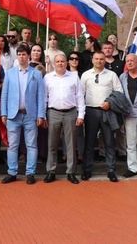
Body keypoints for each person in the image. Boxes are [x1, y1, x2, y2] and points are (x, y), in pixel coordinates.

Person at [0, 45, 46, 185]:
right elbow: (5, 94)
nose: (21, 56)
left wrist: (41, 115)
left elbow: (40, 96)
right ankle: (12, 172)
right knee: (13, 145)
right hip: (13, 115)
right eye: (19, 54)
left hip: (30, 115)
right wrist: (4, 112)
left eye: (24, 54)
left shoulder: (36, 74)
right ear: (17, 56)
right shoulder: (10, 73)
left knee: (31, 145)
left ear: (28, 56)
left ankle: (30, 172)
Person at [80, 51, 124, 182]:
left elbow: (119, 92)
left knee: (109, 141)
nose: (99, 61)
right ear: (92, 60)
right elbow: (80, 94)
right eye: (96, 59)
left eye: (101, 59)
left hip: (107, 111)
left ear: (105, 60)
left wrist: (109, 102)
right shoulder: (85, 75)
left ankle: (111, 170)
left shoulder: (112, 75)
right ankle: (87, 170)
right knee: (89, 141)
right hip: (91, 111)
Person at [43, 54, 85, 184]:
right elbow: (44, 98)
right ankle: (51, 171)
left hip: (70, 112)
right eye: (58, 61)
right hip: (53, 112)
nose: (60, 63)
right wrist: (43, 115)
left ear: (67, 63)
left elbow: (80, 97)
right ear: (54, 63)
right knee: (52, 144)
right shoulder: (48, 77)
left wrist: (81, 115)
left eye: (62, 61)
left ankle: (71, 172)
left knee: (71, 143)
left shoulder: (74, 77)